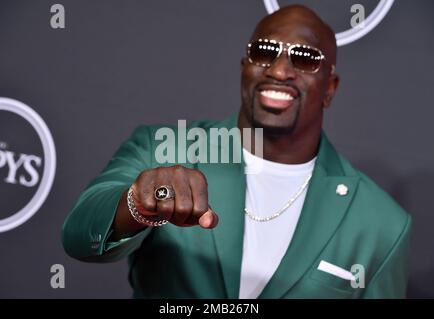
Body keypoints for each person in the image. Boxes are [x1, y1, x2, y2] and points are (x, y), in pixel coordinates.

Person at [62, 5, 411, 298]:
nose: (278, 70)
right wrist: (138, 203)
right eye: (264, 52)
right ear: (244, 67)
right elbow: (80, 236)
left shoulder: (381, 224)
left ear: (330, 88)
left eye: (305, 58)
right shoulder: (164, 150)